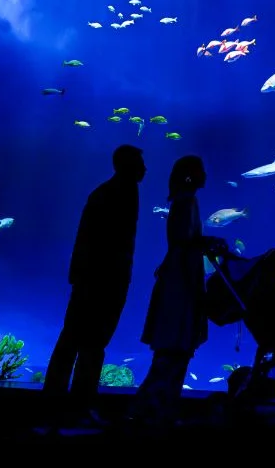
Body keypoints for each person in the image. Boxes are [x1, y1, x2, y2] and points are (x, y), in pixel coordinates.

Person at [42, 144, 146, 427]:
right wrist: (89, 277)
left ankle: (63, 404)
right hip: (100, 280)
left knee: (81, 341)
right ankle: (70, 406)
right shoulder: (114, 193)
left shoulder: (116, 191)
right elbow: (96, 240)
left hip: (98, 280)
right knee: (83, 342)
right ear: (127, 165)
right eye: (140, 163)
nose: (145, 168)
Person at [129, 154, 223, 427]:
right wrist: (207, 243)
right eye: (201, 170)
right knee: (173, 351)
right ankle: (148, 413)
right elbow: (183, 241)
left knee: (172, 353)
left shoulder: (183, 200)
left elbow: (183, 241)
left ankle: (155, 411)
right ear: (191, 175)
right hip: (181, 284)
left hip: (178, 279)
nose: (206, 174)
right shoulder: (187, 201)